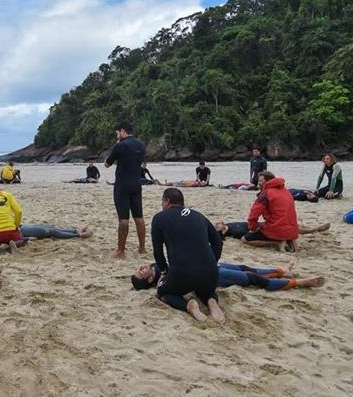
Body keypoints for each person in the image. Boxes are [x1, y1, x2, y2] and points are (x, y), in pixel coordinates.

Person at [149, 188, 224, 323]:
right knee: (205, 289)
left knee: (163, 292)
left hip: (182, 274)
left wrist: (165, 270)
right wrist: (213, 261)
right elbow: (217, 241)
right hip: (210, 273)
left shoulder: (159, 218)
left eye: (162, 202)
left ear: (167, 201)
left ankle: (188, 306)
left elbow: (158, 252)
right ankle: (211, 301)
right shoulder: (198, 215)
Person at [132, 262, 323, 292]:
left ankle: (281, 271)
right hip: (213, 276)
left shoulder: (158, 265)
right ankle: (299, 282)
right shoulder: (163, 281)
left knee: (245, 268)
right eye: (141, 272)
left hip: (210, 264)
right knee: (251, 279)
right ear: (149, 280)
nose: (141, 267)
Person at [104, 121, 147, 258]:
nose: (117, 136)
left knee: (123, 219)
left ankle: (121, 251)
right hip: (136, 183)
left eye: (117, 133)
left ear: (122, 131)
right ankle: (142, 248)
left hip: (122, 185)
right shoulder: (141, 144)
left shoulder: (120, 145)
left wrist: (117, 147)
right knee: (139, 217)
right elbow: (141, 162)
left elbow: (107, 164)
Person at [243, 171, 299, 251]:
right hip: (292, 229)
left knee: (245, 239)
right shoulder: (286, 191)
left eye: (260, 181)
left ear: (268, 181)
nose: (258, 183)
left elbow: (254, 214)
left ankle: (277, 243)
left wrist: (252, 228)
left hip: (276, 228)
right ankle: (290, 240)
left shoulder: (266, 193)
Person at [214, 220, 330, 239]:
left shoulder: (229, 225)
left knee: (288, 225)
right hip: (260, 229)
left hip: (258, 224)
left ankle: (311, 229)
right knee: (286, 228)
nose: (218, 223)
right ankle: (314, 230)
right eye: (217, 226)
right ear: (221, 231)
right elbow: (250, 232)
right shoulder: (233, 232)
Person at [19, 223, 93, 239]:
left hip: (24, 227)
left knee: (54, 228)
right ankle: (78, 235)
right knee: (52, 232)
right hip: (24, 232)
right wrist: (27, 238)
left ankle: (75, 231)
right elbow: (12, 239)